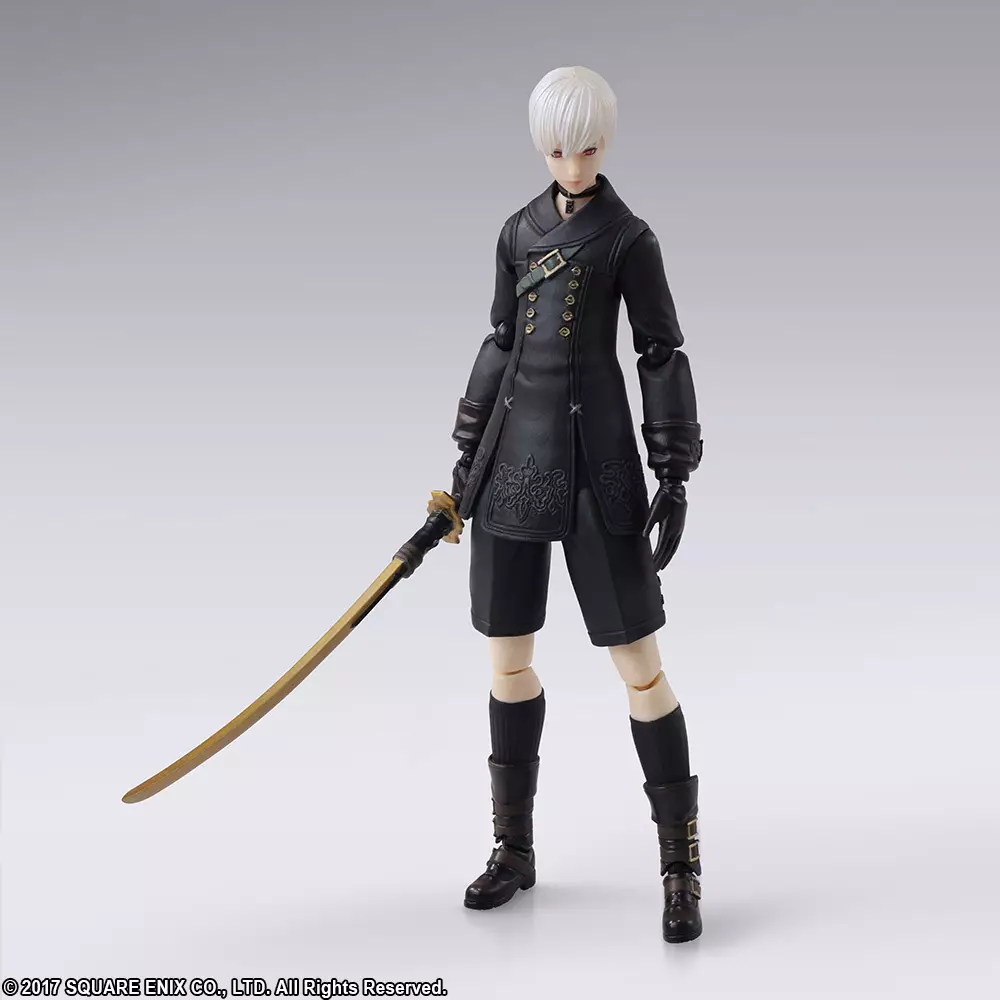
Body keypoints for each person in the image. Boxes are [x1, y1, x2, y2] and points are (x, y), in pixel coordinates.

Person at [448, 66, 704, 944]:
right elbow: (499, 342)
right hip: (513, 467)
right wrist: (465, 460)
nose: (572, 164)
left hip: (599, 469)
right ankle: (512, 848)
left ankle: (680, 866)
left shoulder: (628, 239)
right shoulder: (516, 233)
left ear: (605, 144)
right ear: (540, 146)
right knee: (507, 662)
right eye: (558, 149)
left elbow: (660, 351)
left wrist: (673, 467)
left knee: (640, 666)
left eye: (586, 148)